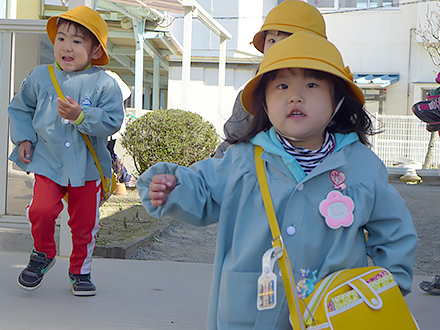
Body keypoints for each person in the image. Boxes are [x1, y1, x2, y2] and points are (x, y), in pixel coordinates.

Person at [137, 32, 417, 328]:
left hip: (333, 313)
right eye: (282, 85)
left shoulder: (361, 166)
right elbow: (204, 189)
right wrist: (174, 188)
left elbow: (394, 231)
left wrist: (388, 286)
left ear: (336, 100)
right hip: (253, 311)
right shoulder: (242, 160)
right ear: (265, 102)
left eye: (312, 85)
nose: (295, 96)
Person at [8, 6, 124, 296]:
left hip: (87, 166)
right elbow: (21, 107)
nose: (66, 47)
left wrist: (81, 116)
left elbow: (113, 121)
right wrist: (23, 139)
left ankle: (80, 270)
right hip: (48, 160)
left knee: (84, 223)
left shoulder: (105, 83)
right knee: (41, 210)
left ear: (95, 50)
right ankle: (43, 252)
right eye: (61, 39)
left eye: (77, 41)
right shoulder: (40, 76)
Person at [214, 0, 327, 158]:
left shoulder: (329, 95)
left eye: (288, 40)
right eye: (272, 41)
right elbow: (233, 141)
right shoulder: (251, 95)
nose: (277, 49)